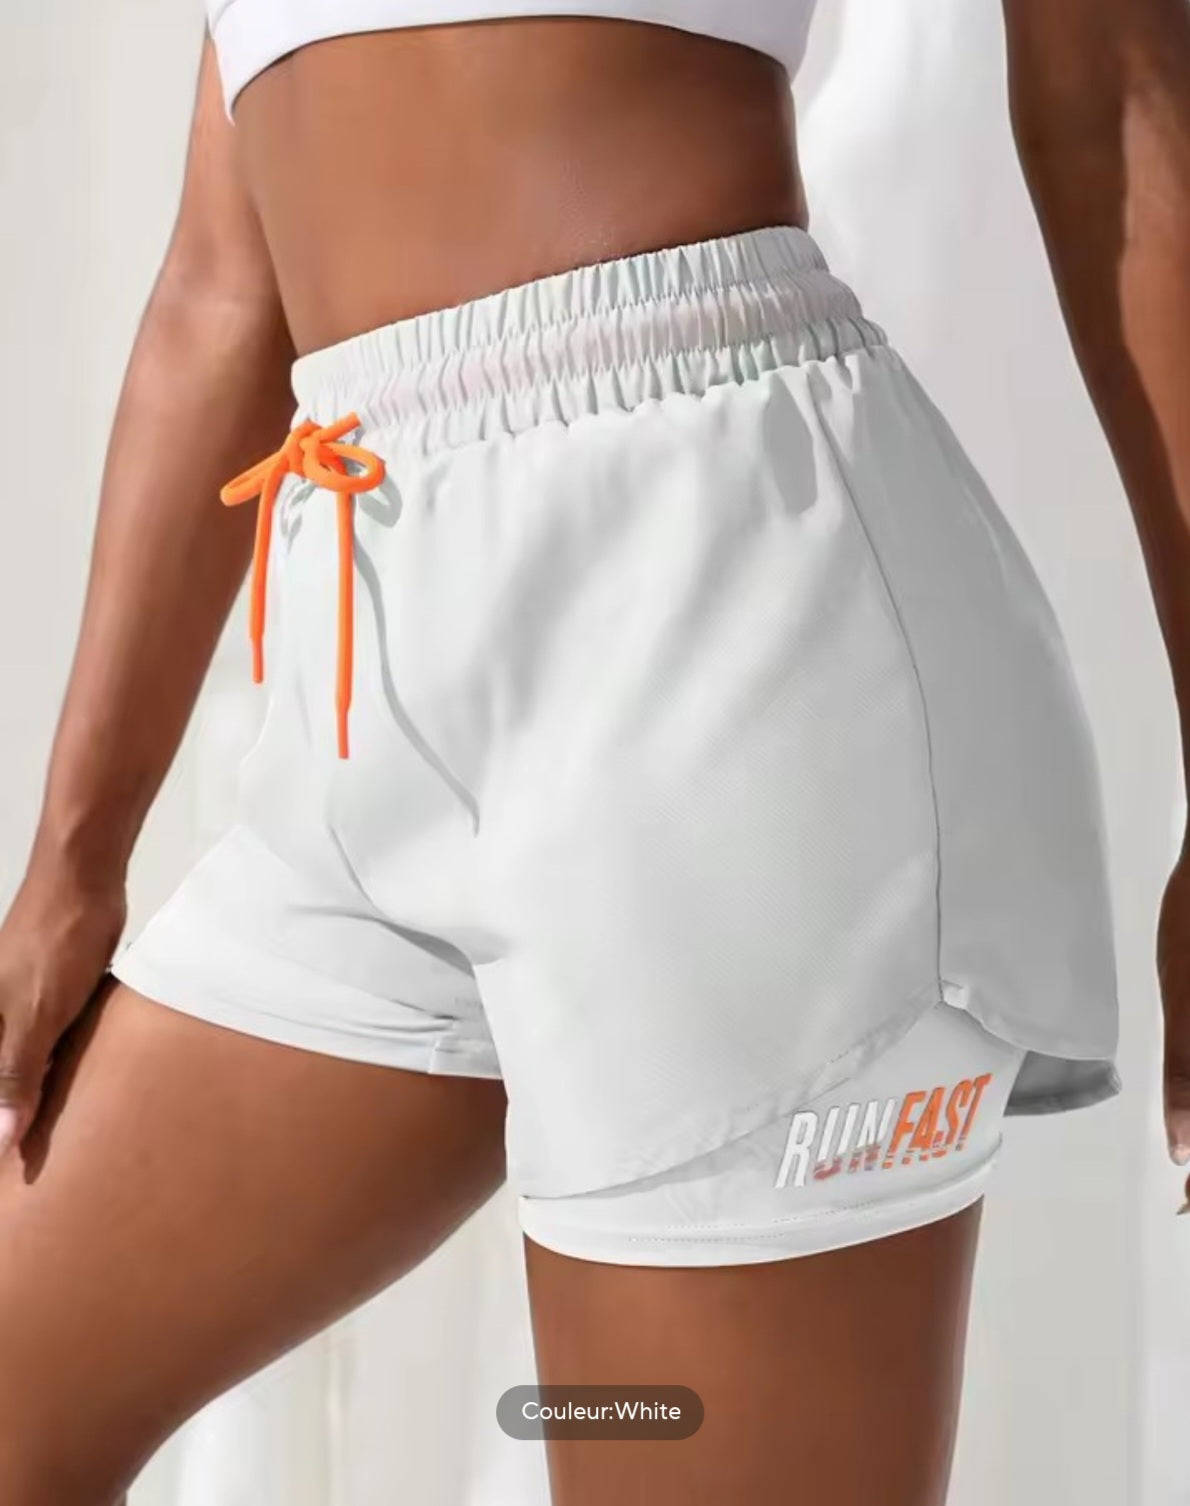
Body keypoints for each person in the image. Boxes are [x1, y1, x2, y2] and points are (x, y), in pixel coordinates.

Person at [0, 2, 1186, 1502]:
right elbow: (221, 289)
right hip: (373, 663)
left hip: (731, 626)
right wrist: (74, 854)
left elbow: (1115, 109)